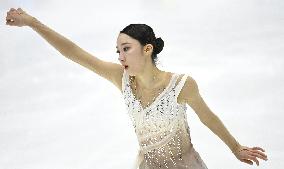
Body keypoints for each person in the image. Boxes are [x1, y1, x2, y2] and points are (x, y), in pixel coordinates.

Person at [6, 8, 268, 169]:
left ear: (147, 49)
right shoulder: (121, 79)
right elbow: (74, 53)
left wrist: (235, 147)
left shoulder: (181, 84)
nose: (120, 56)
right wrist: (33, 22)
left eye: (126, 48)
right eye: (118, 51)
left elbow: (207, 117)